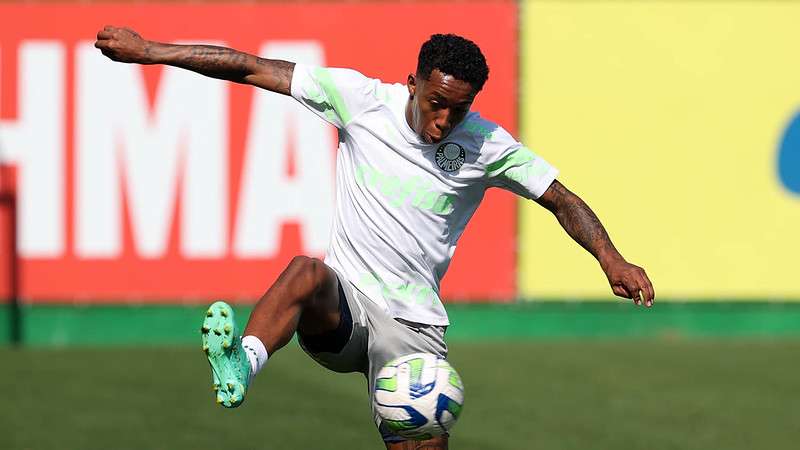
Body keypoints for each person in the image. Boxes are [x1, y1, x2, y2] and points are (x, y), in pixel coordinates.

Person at [95, 27, 655, 449]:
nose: (443, 120)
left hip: (414, 329)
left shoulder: (486, 145)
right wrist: (150, 52)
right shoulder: (362, 100)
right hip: (346, 312)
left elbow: (559, 197)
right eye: (435, 102)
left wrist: (612, 259)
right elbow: (250, 67)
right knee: (304, 271)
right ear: (412, 84)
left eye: (458, 109)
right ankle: (244, 361)